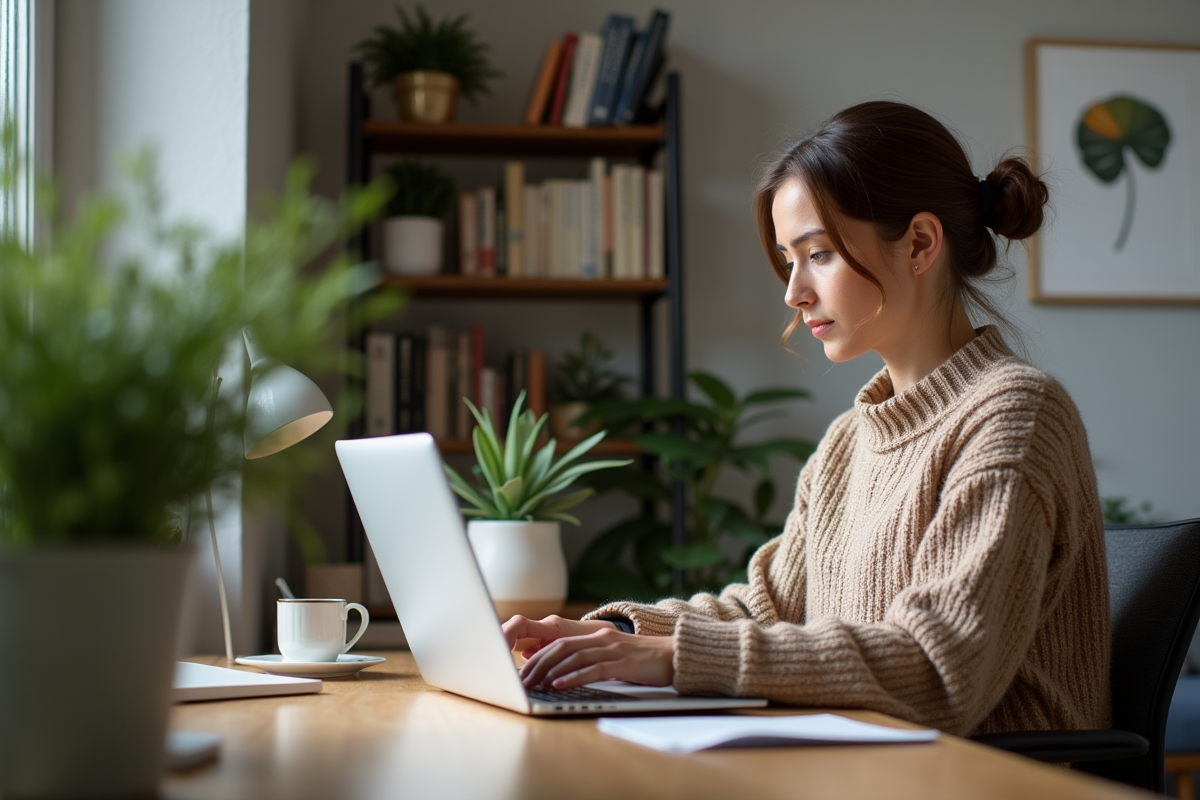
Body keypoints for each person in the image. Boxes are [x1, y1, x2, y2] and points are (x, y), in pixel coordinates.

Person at [502, 100, 1110, 738]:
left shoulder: (1015, 416)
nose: (793, 292)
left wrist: (674, 658)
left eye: (816, 254)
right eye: (789, 261)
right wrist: (619, 633)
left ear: (921, 244)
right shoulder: (851, 441)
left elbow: (938, 670)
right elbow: (765, 609)